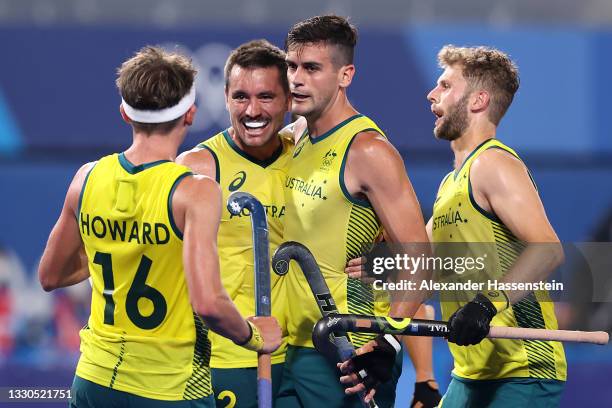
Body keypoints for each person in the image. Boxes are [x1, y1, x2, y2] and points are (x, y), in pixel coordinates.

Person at [38, 46, 281, 408]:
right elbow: (209, 304)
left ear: (124, 113)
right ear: (190, 115)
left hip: (92, 380)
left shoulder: (85, 179)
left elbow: (50, 276)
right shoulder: (195, 191)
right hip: (170, 388)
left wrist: (125, 251)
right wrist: (255, 336)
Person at [340, 45, 567, 407]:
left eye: (445, 86)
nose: (431, 94)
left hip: (524, 371)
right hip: (470, 375)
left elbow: (548, 249)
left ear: (478, 100)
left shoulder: (493, 165)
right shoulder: (451, 185)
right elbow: (422, 268)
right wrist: (381, 268)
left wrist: (485, 305)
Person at [277, 15, 439, 408]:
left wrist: (387, 339)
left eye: (312, 68)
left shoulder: (368, 150)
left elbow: (421, 256)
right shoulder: (293, 136)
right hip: (284, 347)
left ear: (345, 75)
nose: (296, 79)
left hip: (347, 352)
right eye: (291, 66)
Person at [177, 39, 292, 408]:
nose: (252, 110)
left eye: (266, 97)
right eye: (240, 96)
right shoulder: (198, 167)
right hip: (225, 360)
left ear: (289, 100)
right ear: (224, 97)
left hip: (302, 360)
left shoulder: (310, 158)